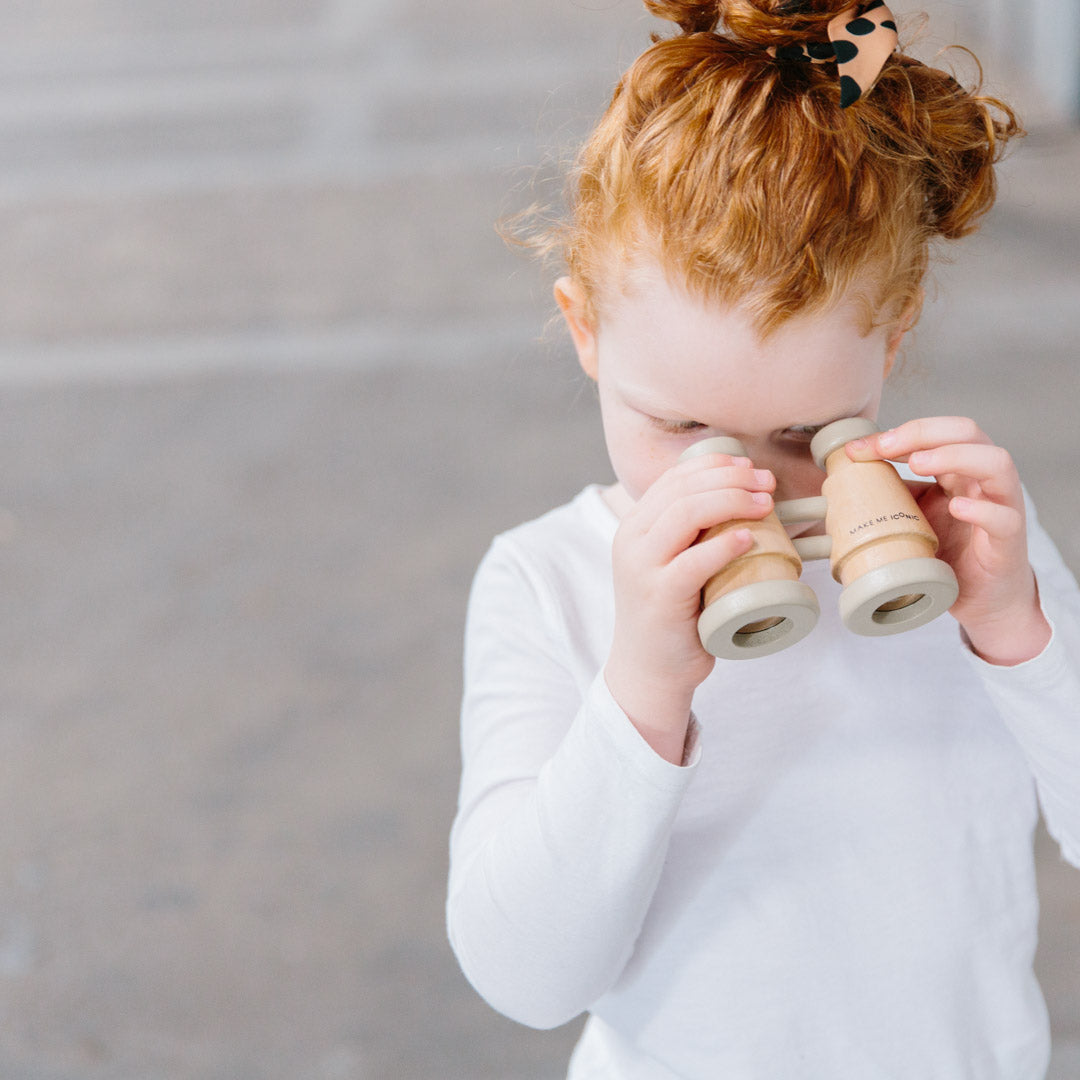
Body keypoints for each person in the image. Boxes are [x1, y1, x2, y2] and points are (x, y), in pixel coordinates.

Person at [447, 1, 1080, 1076]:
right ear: (584, 328)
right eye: (682, 429)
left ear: (895, 331)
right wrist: (642, 691)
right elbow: (526, 978)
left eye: (803, 433)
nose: (736, 482)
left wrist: (1021, 636)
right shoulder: (549, 584)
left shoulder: (968, 558)